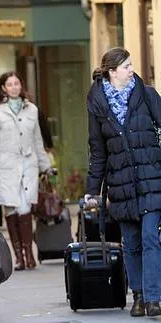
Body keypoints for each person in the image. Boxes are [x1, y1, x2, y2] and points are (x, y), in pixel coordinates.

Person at [85, 47, 161, 317]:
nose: (132, 69)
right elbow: (98, 149)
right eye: (127, 66)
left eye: (131, 65)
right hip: (121, 183)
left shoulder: (147, 95)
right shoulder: (97, 103)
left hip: (151, 179)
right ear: (112, 71)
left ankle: (154, 297)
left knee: (151, 237)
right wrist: (92, 190)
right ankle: (138, 295)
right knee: (131, 243)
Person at [0, 71, 54, 271]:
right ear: (3, 88)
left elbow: (37, 141)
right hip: (6, 168)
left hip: (28, 165)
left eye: (17, 83)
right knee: (12, 209)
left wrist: (46, 166)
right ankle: (18, 257)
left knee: (25, 208)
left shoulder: (31, 110)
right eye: (10, 84)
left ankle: (28, 254)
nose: (14, 87)